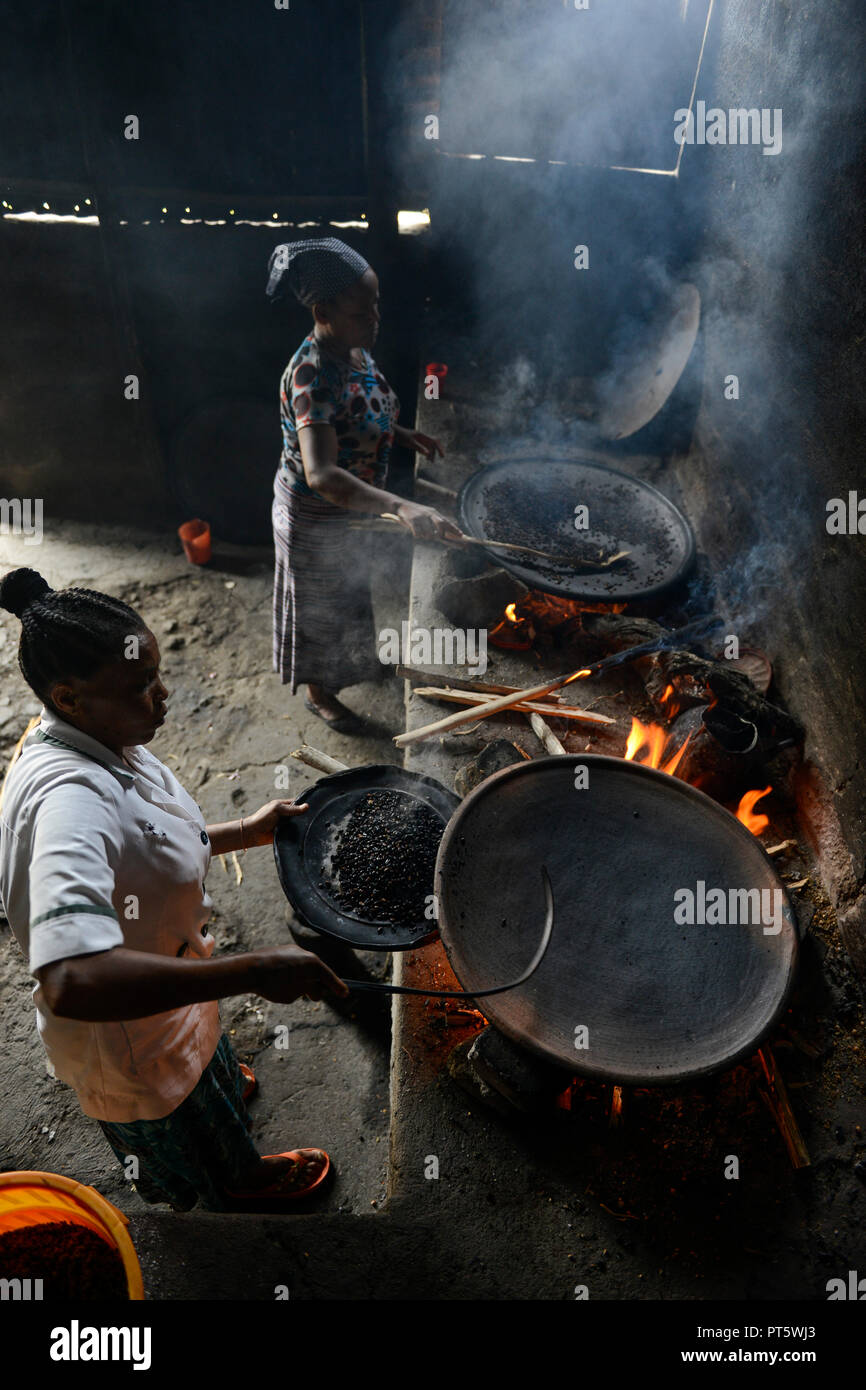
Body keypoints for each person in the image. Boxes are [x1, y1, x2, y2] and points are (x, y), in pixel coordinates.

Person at [0, 567, 349, 1211]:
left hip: (175, 974)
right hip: (133, 1030)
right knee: (193, 1132)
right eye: (140, 687)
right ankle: (239, 1183)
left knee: (207, 1062)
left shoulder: (103, 736)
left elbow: (146, 845)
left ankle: (212, 1084)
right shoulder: (68, 801)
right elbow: (71, 979)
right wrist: (252, 970)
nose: (164, 697)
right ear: (69, 697)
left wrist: (246, 829)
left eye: (157, 675)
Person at [266, 236, 462, 732]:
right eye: (360, 311)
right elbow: (322, 473)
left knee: (349, 596)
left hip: (349, 511)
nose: (375, 319)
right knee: (319, 610)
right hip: (316, 515)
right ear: (323, 310)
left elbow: (359, 409)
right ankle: (318, 694)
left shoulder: (352, 351)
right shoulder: (312, 377)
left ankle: (348, 666)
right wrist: (399, 506)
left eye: (376, 305)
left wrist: (396, 432)